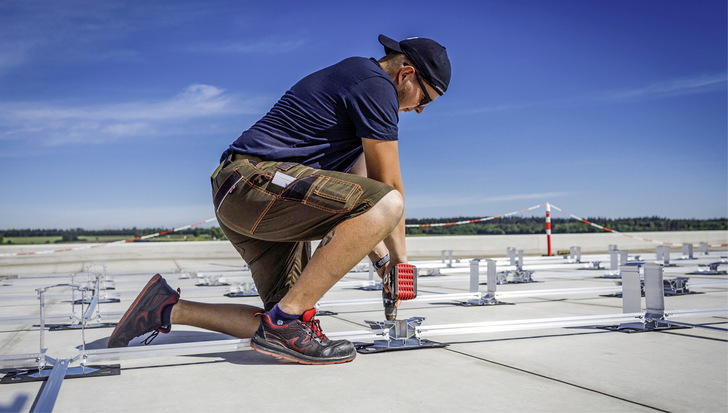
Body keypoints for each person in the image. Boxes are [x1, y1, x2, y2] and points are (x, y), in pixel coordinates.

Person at [108, 34, 451, 365]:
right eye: (424, 99)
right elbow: (387, 189)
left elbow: (362, 208)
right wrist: (401, 261)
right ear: (406, 73)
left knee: (279, 321)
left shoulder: (358, 101)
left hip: (255, 197)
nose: (419, 110)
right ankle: (285, 322)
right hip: (255, 183)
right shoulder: (375, 83)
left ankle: (165, 308)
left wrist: (383, 265)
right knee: (391, 202)